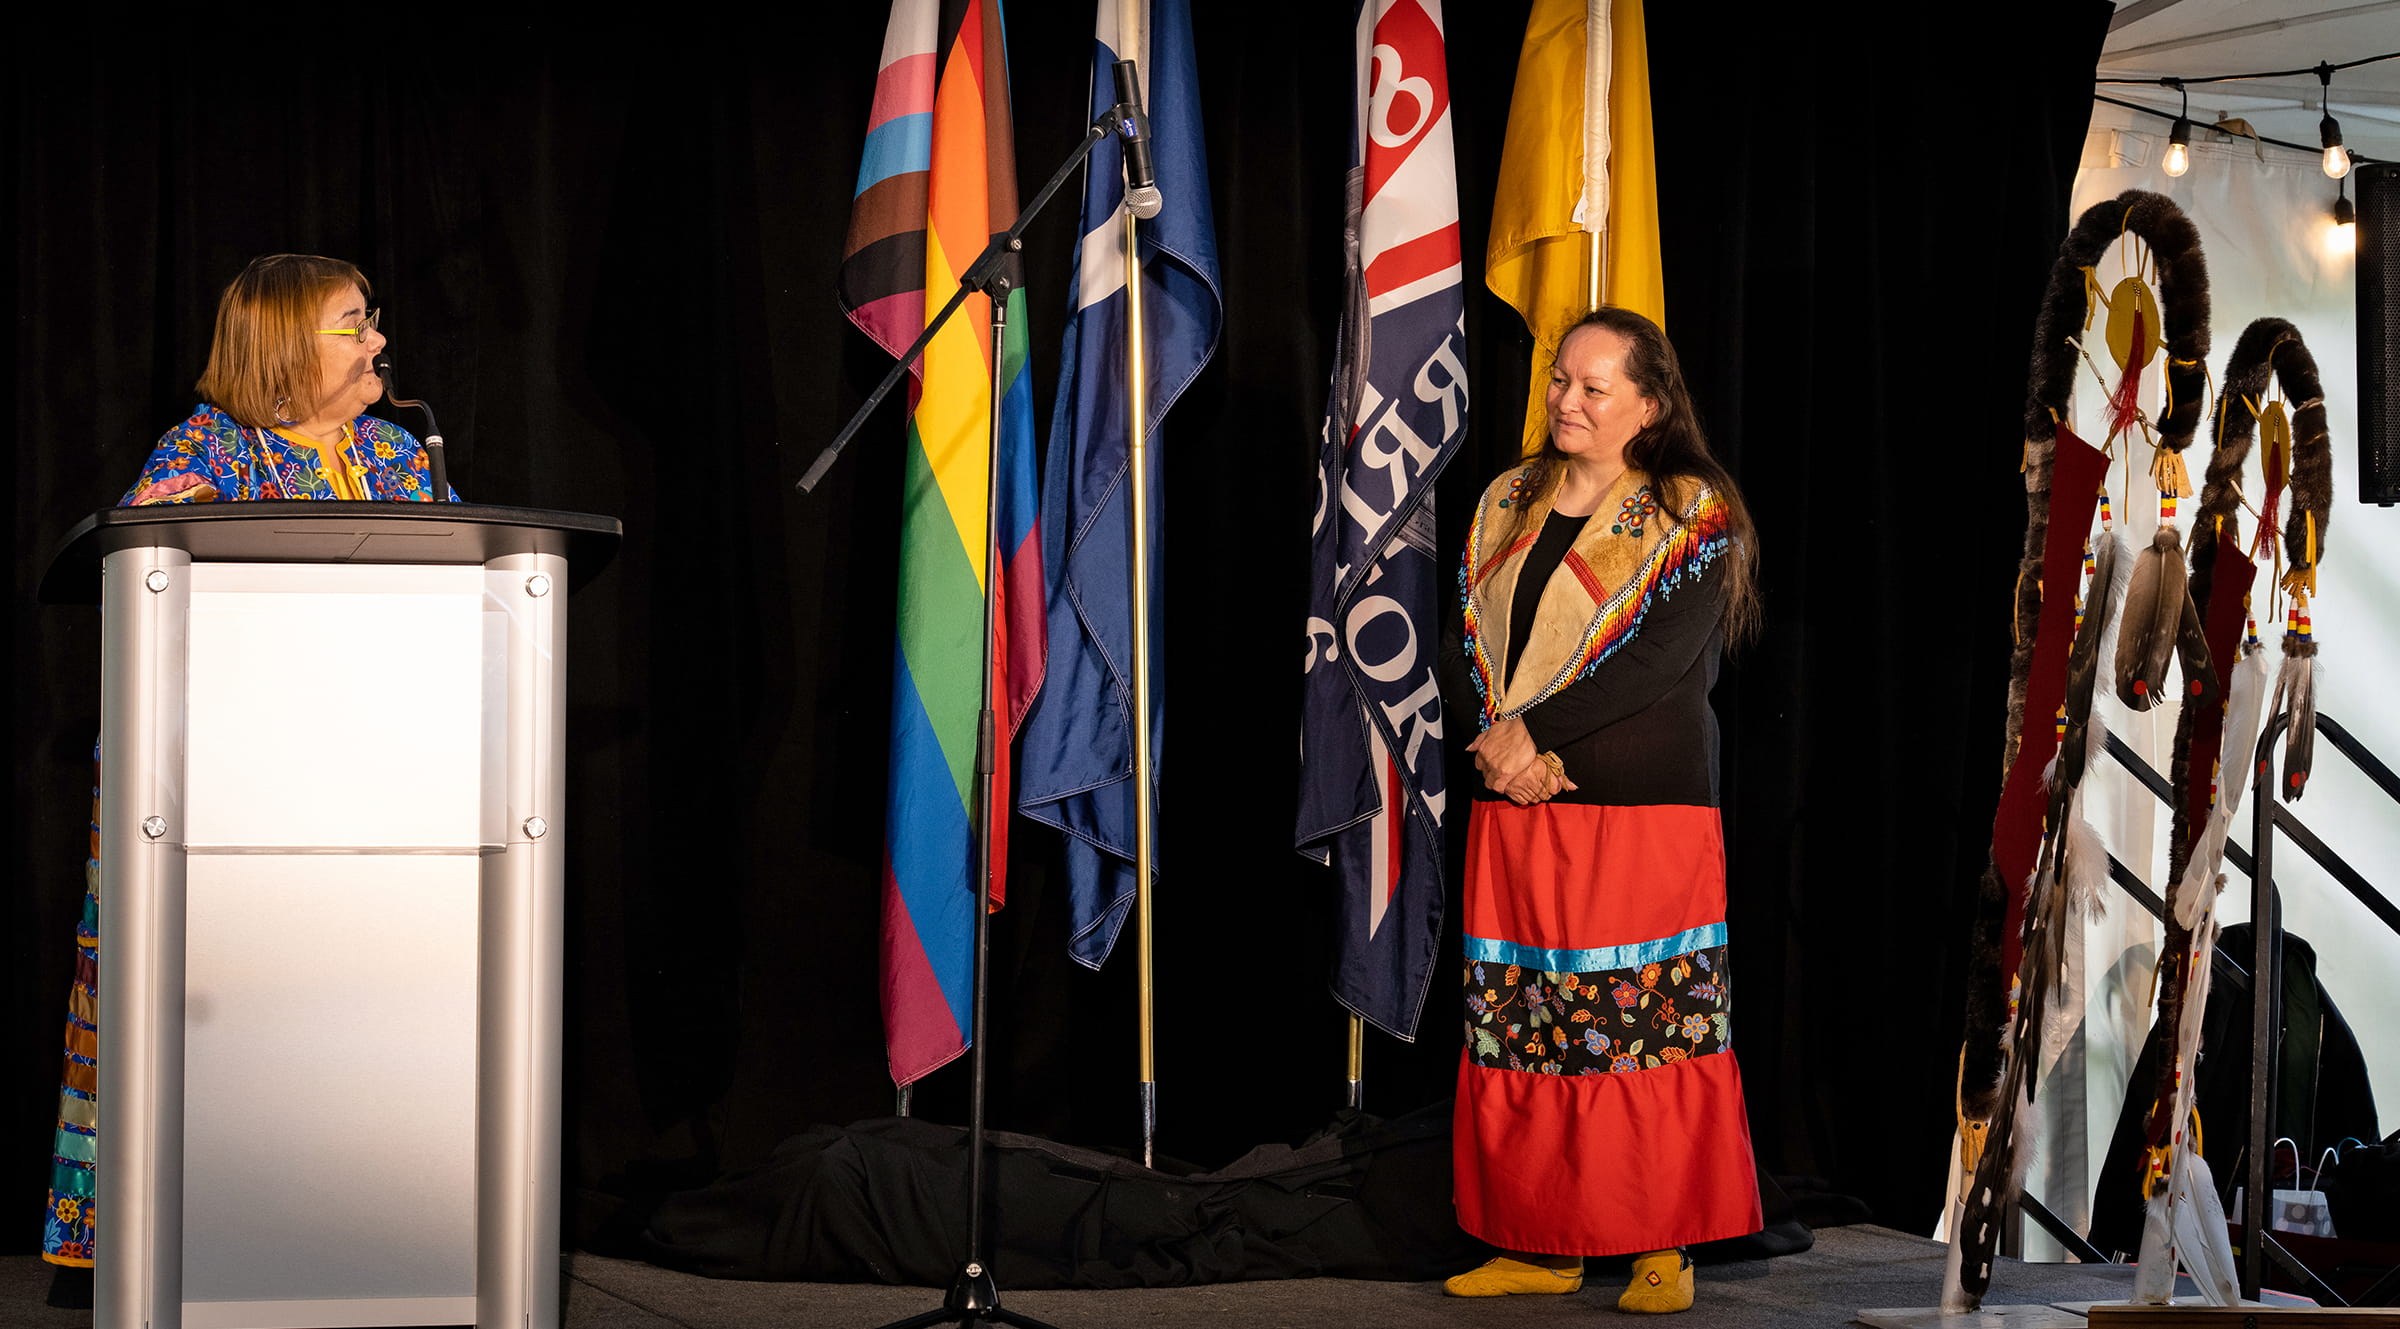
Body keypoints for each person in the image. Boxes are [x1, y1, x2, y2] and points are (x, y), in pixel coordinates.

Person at [42, 254, 453, 1272]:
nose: (379, 343)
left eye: (373, 320)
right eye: (353, 325)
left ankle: (359, 1221)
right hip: (208, 789)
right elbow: (140, 588)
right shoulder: (204, 452)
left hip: (373, 781)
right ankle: (167, 1236)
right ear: (281, 346)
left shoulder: (402, 456)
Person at [1437, 307, 1763, 1314]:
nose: (1565, 400)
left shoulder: (1689, 511)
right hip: (1520, 805)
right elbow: (1466, 641)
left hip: (1642, 810)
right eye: (1558, 382)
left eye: (1593, 387)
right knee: (1528, 1024)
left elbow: (1656, 661)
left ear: (1649, 405)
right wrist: (1503, 744)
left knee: (1643, 1026)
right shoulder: (1507, 499)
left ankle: (1662, 1244)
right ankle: (1541, 1241)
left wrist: (1539, 737)